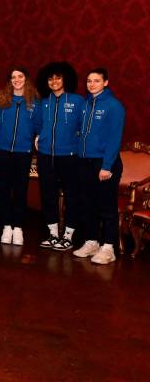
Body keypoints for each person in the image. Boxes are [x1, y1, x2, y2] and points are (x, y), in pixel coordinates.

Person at [72, 68, 125, 265]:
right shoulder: (85, 104)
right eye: (89, 80)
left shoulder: (114, 106)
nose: (91, 84)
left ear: (106, 82)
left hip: (104, 164)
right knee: (88, 204)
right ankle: (91, 241)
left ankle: (108, 247)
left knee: (107, 206)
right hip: (85, 162)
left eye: (96, 80)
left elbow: (114, 138)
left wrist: (107, 165)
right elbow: (80, 131)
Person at [35, 62, 83, 251]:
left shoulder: (78, 101)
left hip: (70, 157)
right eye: (50, 78)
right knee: (48, 196)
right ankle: (53, 234)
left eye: (58, 77)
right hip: (46, 156)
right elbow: (39, 125)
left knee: (72, 196)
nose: (54, 81)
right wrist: (40, 136)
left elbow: (83, 127)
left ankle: (69, 236)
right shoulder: (43, 102)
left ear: (65, 79)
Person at [0, 68, 42, 245]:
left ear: (26, 79)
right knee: (3, 190)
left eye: (20, 76)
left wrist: (37, 138)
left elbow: (39, 126)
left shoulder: (34, 101)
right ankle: (6, 226)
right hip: (2, 151)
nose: (16, 80)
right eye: (13, 77)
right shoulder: (1, 99)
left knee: (21, 190)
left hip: (23, 152)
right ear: (9, 80)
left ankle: (18, 227)